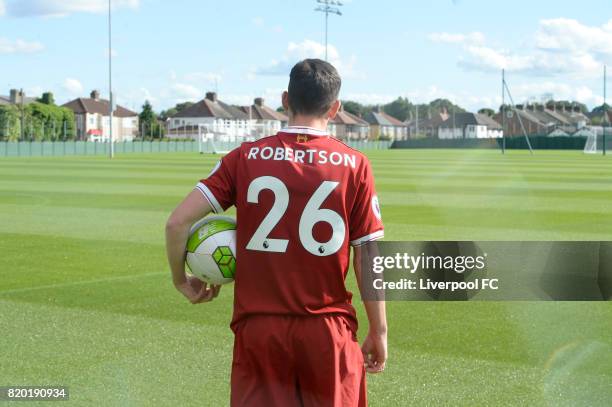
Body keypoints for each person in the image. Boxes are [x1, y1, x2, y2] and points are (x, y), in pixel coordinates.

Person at [165, 58, 387, 407]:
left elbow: (176, 223)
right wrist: (379, 330)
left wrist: (181, 280)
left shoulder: (244, 157)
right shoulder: (356, 165)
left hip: (259, 331)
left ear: (285, 99)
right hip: (327, 331)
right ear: (335, 108)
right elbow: (369, 257)